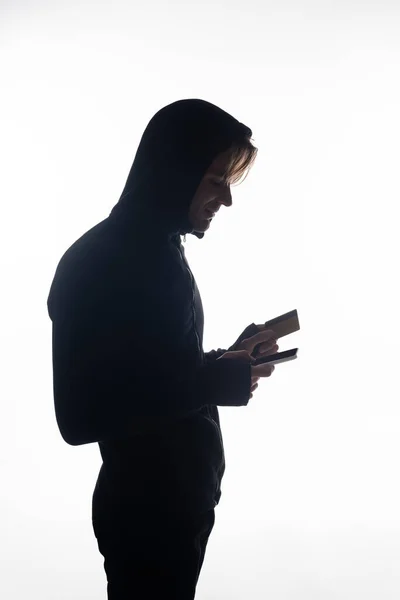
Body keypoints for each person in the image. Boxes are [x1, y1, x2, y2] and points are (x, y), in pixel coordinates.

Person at [47, 99, 278, 599]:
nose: (227, 200)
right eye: (217, 179)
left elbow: (149, 370)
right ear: (176, 169)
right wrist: (212, 381)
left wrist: (228, 359)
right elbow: (79, 417)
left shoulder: (162, 251)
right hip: (146, 522)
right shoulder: (102, 260)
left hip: (176, 515)